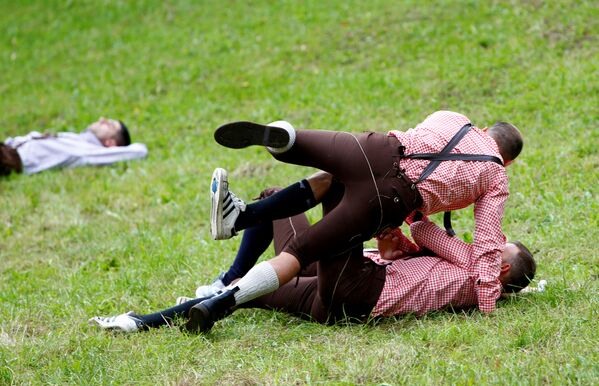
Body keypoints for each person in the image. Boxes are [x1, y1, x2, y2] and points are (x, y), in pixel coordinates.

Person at [195, 110, 523, 331]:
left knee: (316, 159)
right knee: (301, 252)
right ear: (506, 161)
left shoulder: (453, 117)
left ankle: (285, 145)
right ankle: (227, 292)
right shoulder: (495, 176)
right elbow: (486, 244)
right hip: (391, 196)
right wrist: (488, 303)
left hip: (380, 149)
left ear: (483, 129)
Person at [88, 181, 536, 333]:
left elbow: (422, 226)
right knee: (247, 294)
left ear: (499, 268)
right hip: (334, 305)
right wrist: (393, 246)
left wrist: (425, 209)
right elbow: (413, 252)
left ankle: (297, 149)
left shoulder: (482, 271)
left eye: (498, 247)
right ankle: (141, 321)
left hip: (358, 289)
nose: (489, 245)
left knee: (343, 188)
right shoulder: (472, 277)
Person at [0, 117, 148, 176]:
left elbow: (140, 151)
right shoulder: (78, 139)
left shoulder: (89, 152)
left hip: (10, 159)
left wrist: (113, 152)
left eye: (109, 125)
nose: (102, 119)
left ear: (110, 143)